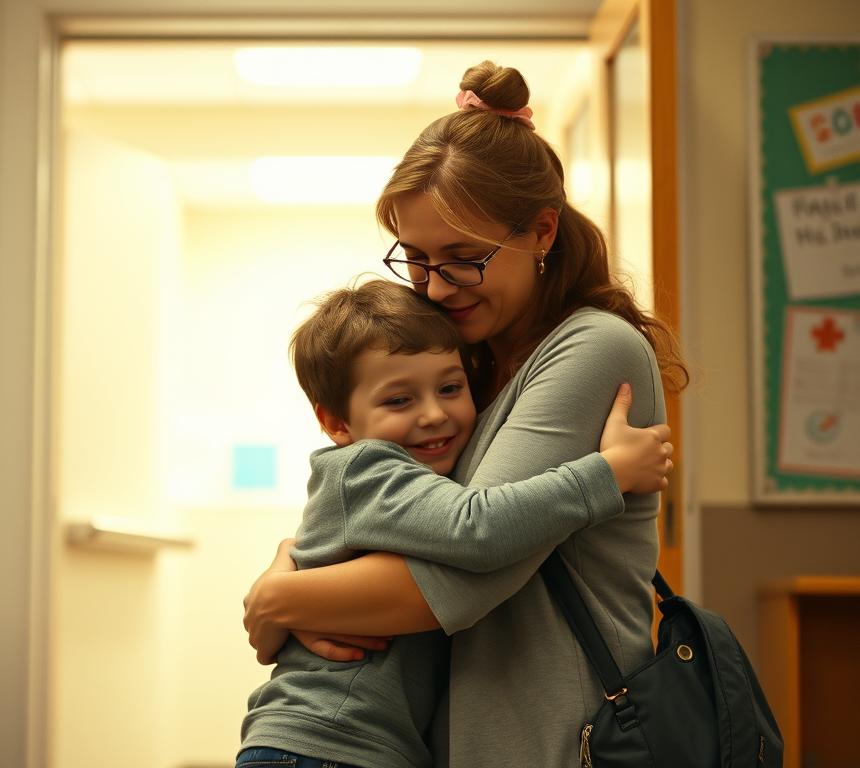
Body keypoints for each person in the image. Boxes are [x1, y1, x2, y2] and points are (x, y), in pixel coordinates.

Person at [243, 60, 690, 767]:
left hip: (561, 740)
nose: (434, 285)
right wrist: (284, 571)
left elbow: (454, 572)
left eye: (461, 258)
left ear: (542, 233)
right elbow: (391, 524)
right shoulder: (465, 365)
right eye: (415, 258)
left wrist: (283, 599)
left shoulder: (592, 348)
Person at [237, 278, 673, 768]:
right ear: (337, 423)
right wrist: (608, 474)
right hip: (324, 744)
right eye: (399, 400)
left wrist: (281, 596)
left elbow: (273, 629)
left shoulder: (414, 474)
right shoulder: (368, 468)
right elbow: (476, 528)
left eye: (450, 388)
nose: (434, 414)